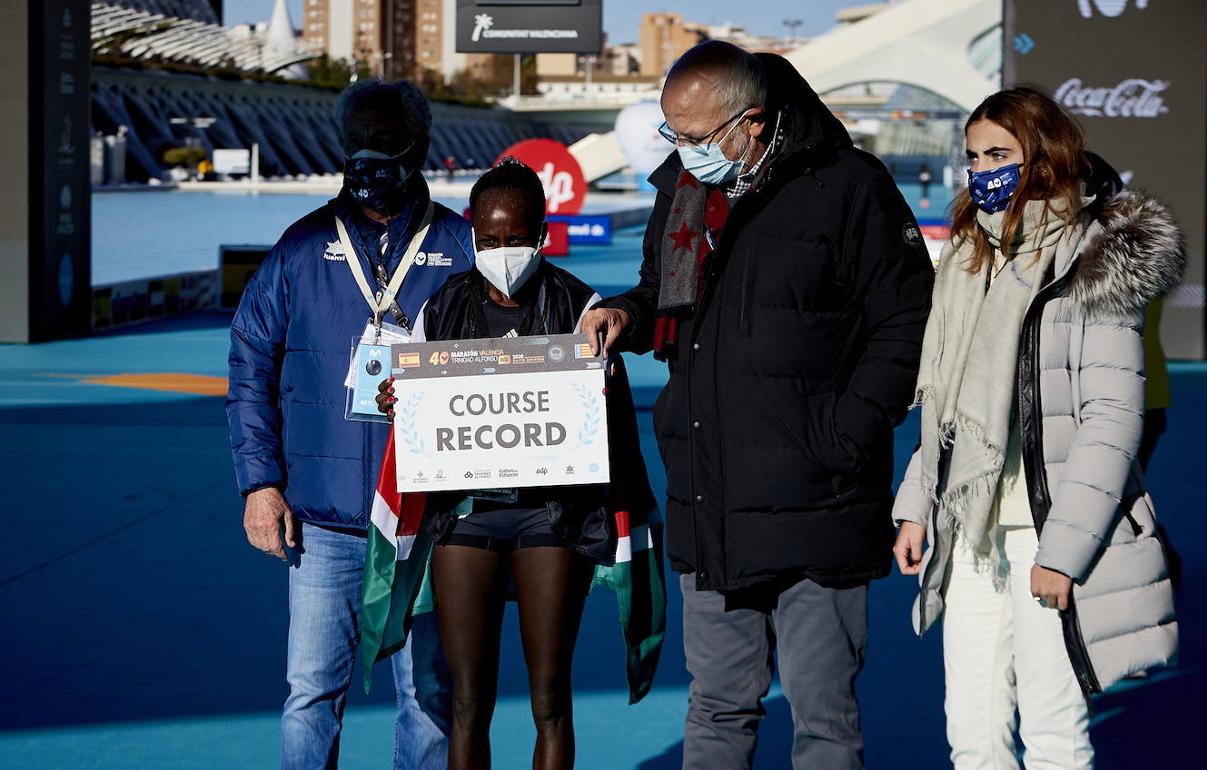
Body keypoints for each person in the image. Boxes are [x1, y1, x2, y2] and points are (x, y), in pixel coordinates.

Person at [581, 41, 934, 769]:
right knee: (716, 706)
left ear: (751, 121)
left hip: (819, 502)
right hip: (710, 497)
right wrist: (626, 314)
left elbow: (908, 321)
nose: (682, 151)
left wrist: (848, 430)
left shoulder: (850, 187)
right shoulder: (682, 188)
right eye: (670, 133)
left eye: (696, 136)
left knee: (824, 723)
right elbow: (659, 290)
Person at [891, 87, 1183, 769]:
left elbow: (1111, 418)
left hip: (1047, 528)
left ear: (1045, 157)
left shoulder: (1095, 258)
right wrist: (916, 506)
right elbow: (947, 402)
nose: (982, 169)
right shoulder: (972, 255)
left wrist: (1065, 551)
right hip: (970, 521)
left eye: (999, 153)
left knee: (1053, 732)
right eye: (972, 156)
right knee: (971, 728)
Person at [376, 158, 663, 770]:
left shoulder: (580, 306)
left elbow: (609, 418)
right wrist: (397, 399)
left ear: (542, 233)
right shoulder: (441, 307)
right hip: (465, 519)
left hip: (552, 521)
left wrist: (603, 380)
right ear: (472, 233)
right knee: (467, 705)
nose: (503, 251)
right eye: (489, 239)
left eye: (517, 239)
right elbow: (414, 413)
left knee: (550, 701)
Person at [226, 79, 474, 770]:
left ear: (419, 148)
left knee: (429, 694)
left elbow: (513, 351)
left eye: (386, 146)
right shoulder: (301, 246)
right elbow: (248, 364)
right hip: (321, 519)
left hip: (426, 518)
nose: (368, 163)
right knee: (310, 693)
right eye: (356, 146)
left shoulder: (461, 245)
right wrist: (260, 483)